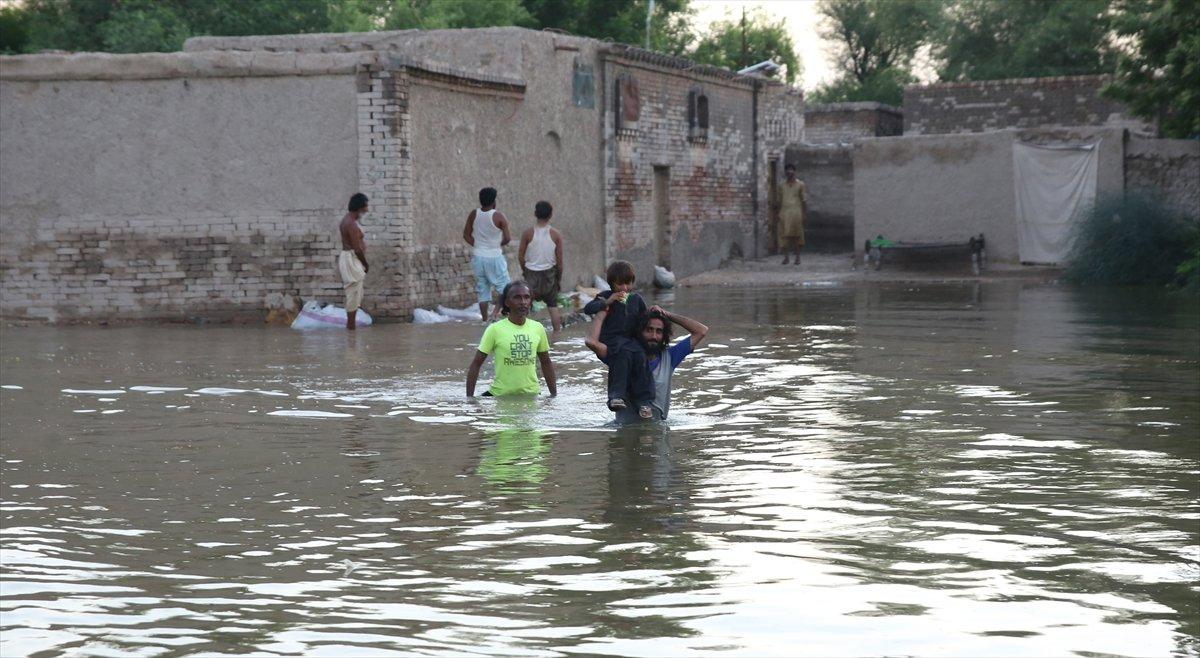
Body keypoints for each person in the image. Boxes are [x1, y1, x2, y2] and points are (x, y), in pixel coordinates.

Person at [586, 305, 708, 423]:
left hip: (657, 434)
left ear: (664, 335)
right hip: (625, 433)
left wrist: (667, 314)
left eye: (659, 331)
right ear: (639, 332)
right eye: (649, 330)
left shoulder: (669, 357)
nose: (654, 336)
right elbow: (591, 342)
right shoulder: (622, 356)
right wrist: (602, 312)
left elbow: (701, 331)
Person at [581, 261, 654, 418]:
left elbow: (645, 319)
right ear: (612, 283)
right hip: (612, 341)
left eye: (628, 284)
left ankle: (644, 402)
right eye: (620, 284)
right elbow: (588, 309)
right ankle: (616, 396)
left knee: (641, 358)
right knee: (623, 356)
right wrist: (607, 302)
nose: (624, 289)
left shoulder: (636, 299)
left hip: (631, 341)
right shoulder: (605, 296)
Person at [466, 281, 558, 397]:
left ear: (530, 302)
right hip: (500, 396)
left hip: (532, 395)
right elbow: (476, 364)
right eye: (517, 298)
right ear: (507, 302)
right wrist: (470, 400)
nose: (523, 302)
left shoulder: (538, 328)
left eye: (526, 298)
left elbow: (546, 362)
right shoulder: (495, 330)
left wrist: (553, 396)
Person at [463, 187, 512, 321]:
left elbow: (466, 235)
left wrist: (479, 246)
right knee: (505, 287)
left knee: (482, 289)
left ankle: (485, 319)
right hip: (495, 256)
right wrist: (495, 245)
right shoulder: (499, 216)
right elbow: (507, 238)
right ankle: (495, 313)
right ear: (494, 201)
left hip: (478, 257)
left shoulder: (474, 214)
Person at [518, 200, 565, 332]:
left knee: (526, 305)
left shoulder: (527, 233)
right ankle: (557, 335)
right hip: (550, 274)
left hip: (531, 274)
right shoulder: (556, 235)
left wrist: (525, 270)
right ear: (550, 215)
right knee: (553, 306)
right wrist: (558, 279)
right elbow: (560, 262)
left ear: (535, 213)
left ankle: (525, 332)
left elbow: (520, 256)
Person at [338, 192, 370, 330]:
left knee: (355, 294)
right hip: (351, 259)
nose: (367, 210)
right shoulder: (350, 224)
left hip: (350, 258)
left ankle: (351, 332)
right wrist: (365, 264)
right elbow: (357, 249)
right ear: (359, 207)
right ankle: (351, 330)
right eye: (365, 207)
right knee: (353, 294)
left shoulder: (348, 221)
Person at [776, 163, 808, 265]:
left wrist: (804, 213)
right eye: (787, 170)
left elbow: (804, 200)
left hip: (796, 212)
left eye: (791, 170)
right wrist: (778, 213)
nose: (789, 172)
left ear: (794, 171)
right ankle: (786, 257)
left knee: (797, 236)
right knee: (784, 235)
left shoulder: (800, 185)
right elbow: (779, 200)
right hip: (784, 212)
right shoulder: (781, 185)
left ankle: (798, 258)